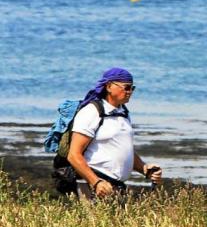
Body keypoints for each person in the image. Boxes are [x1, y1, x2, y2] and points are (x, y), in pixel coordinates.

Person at [67, 68, 163, 199]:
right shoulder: (92, 112)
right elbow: (73, 155)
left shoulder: (123, 113)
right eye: (126, 87)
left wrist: (144, 169)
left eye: (132, 88)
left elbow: (123, 149)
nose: (130, 92)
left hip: (116, 187)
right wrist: (96, 182)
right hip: (94, 186)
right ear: (109, 86)